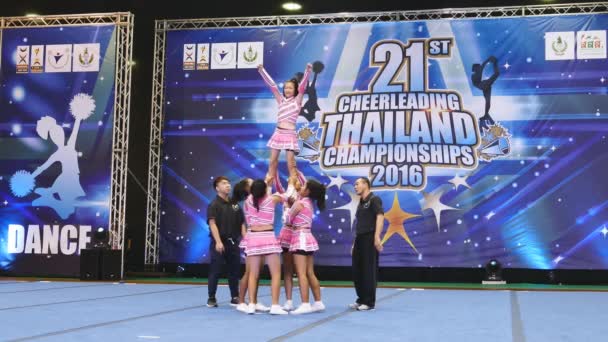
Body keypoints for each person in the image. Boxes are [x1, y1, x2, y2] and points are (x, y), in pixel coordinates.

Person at [258, 63, 312, 181]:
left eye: (290, 88)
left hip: (289, 134)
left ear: (295, 90)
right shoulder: (281, 100)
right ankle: (269, 184)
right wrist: (262, 71)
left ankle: (292, 186)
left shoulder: (297, 101)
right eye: (286, 87)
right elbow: (272, 86)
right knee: (272, 161)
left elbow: (302, 87)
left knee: (291, 163)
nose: (287, 90)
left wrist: (307, 71)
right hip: (278, 133)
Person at [243, 179, 289, 315]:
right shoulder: (272, 199)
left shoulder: (247, 201)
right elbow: (288, 195)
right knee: (275, 273)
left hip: (253, 237)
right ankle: (275, 305)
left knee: (253, 274)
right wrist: (290, 181)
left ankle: (251, 304)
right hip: (267, 236)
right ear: (265, 190)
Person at [206, 176, 246, 308]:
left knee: (234, 271)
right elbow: (212, 224)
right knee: (215, 270)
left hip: (233, 242)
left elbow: (242, 223)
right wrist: (218, 242)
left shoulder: (235, 204)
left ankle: (234, 296)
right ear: (217, 188)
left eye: (229, 183)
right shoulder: (214, 205)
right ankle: (211, 297)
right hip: (219, 242)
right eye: (224, 183)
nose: (228, 185)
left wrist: (246, 240)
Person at [288, 179, 326, 315]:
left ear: (308, 191)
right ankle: (318, 302)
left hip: (300, 237)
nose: (301, 187)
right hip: (307, 236)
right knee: (310, 272)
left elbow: (288, 219)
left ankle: (305, 304)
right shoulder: (309, 203)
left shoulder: (299, 203)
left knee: (301, 273)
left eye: (303, 186)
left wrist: (289, 206)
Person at [232, 178, 270, 313]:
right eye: (251, 182)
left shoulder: (256, 198)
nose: (254, 182)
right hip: (252, 238)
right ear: (247, 188)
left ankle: (254, 299)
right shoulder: (250, 201)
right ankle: (241, 301)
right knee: (249, 273)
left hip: (258, 238)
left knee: (256, 273)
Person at [273, 170, 306, 311]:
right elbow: (277, 183)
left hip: (299, 233)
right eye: (291, 180)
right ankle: (289, 300)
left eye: (296, 180)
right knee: (287, 269)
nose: (293, 181)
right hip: (286, 233)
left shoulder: (303, 197)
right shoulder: (285, 195)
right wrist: (274, 170)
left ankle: (305, 302)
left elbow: (304, 181)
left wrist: (294, 169)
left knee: (301, 271)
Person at [350, 177, 384, 311]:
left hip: (370, 238)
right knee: (357, 270)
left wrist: (377, 237)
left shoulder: (374, 200)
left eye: (357, 184)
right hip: (360, 238)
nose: (355, 187)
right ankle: (361, 299)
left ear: (366, 184)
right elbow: (360, 224)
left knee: (368, 270)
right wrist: (354, 243)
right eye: (355, 184)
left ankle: (369, 302)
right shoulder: (360, 202)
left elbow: (380, 216)